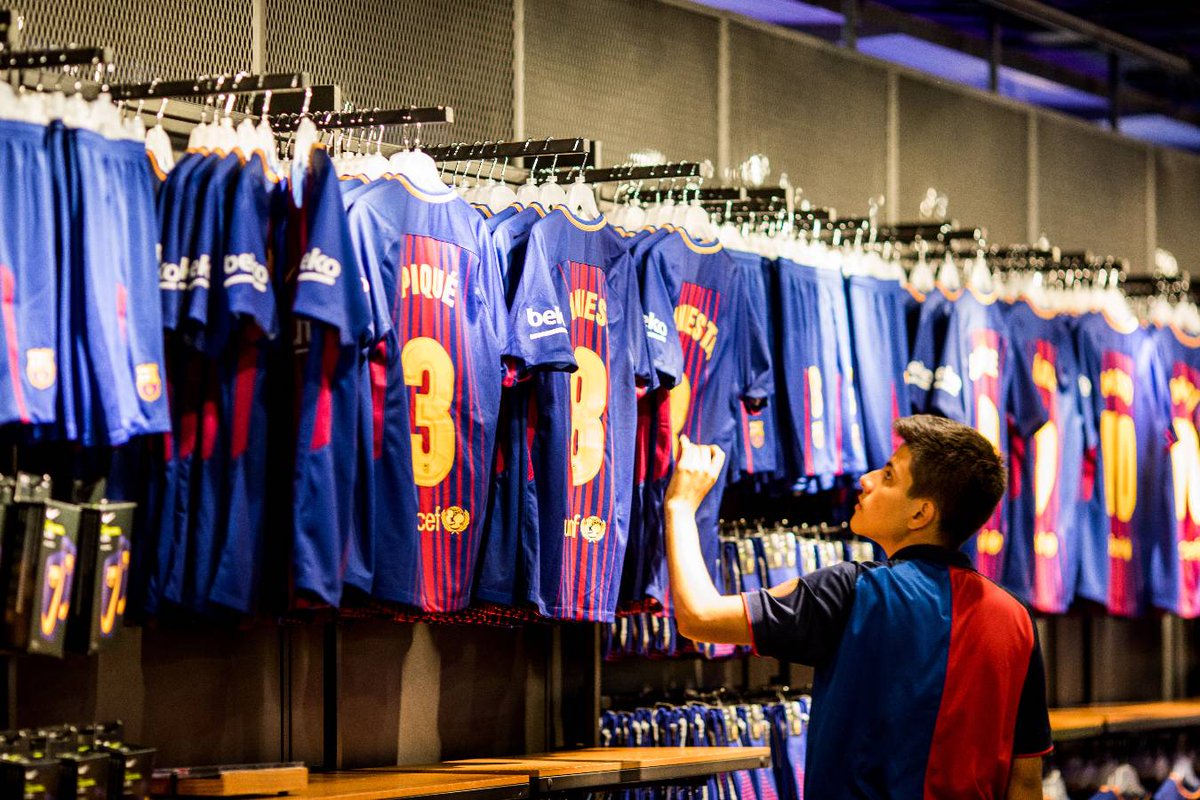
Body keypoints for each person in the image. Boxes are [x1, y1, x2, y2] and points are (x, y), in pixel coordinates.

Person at [664, 414, 1052, 800]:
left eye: (888, 475)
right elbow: (1025, 782)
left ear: (921, 513)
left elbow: (700, 616)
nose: (866, 479)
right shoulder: (1015, 619)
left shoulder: (854, 590)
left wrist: (680, 507)